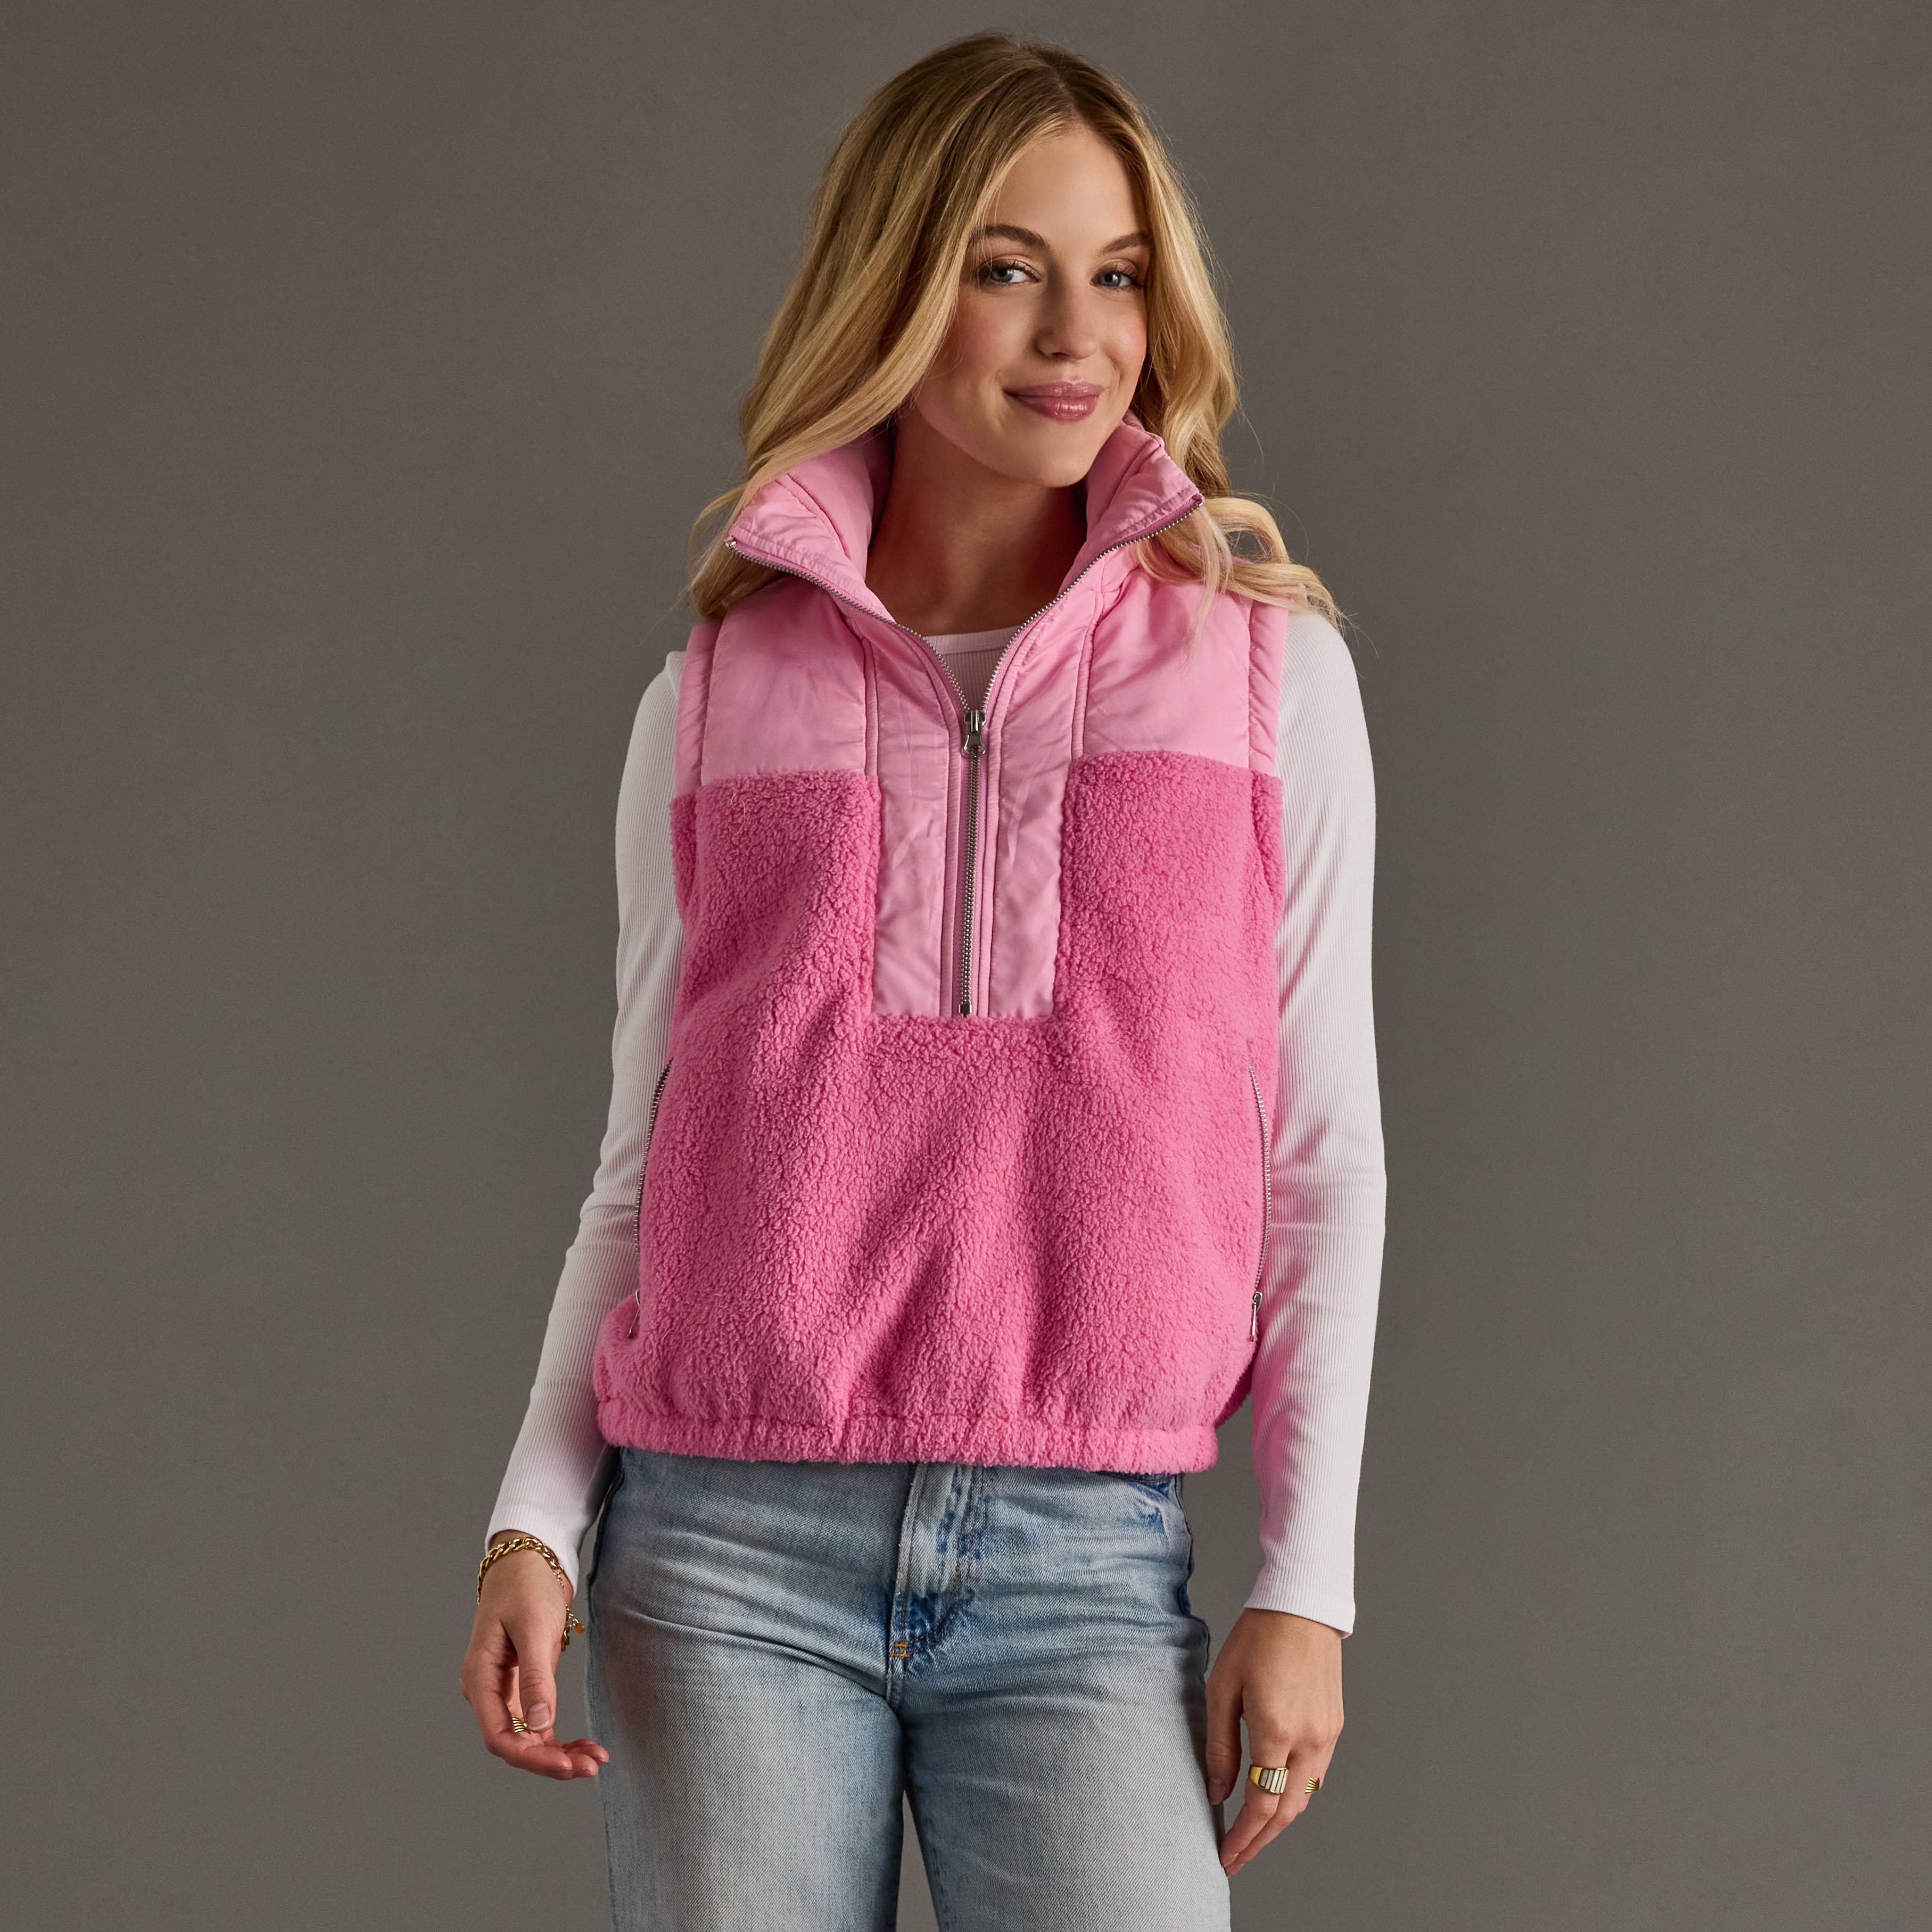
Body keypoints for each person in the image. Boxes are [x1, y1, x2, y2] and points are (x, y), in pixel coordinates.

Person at [459, 31, 1385, 1931]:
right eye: (1005, 265)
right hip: (722, 1551)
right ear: (893, 286)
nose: (1078, 334)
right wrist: (531, 1519)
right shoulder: (711, 701)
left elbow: (1322, 1157)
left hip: (1085, 1554)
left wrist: (1309, 1585)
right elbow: (643, 1167)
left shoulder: (1264, 679)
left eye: (1118, 273)